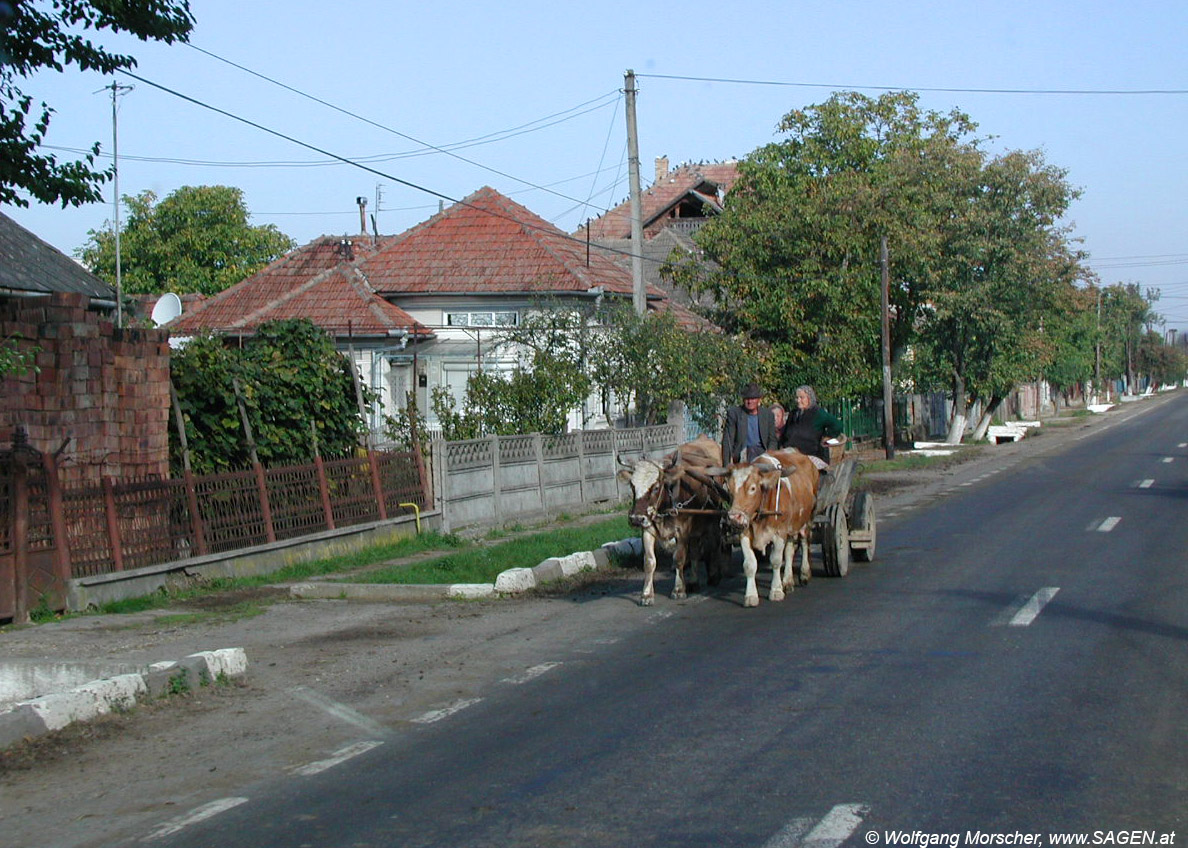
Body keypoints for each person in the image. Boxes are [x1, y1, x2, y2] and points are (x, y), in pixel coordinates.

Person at [779, 385, 843, 464]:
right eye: (797, 397)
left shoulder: (819, 414)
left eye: (802, 397)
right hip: (790, 454)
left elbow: (837, 425)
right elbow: (786, 431)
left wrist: (827, 437)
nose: (798, 400)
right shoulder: (794, 413)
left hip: (810, 456)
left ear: (809, 398)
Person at [722, 382, 777, 463]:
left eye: (753, 399)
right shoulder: (734, 413)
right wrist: (726, 465)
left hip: (762, 453)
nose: (750, 402)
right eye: (747, 399)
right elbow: (728, 440)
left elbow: (772, 439)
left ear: (759, 399)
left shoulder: (768, 415)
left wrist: (769, 454)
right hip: (743, 453)